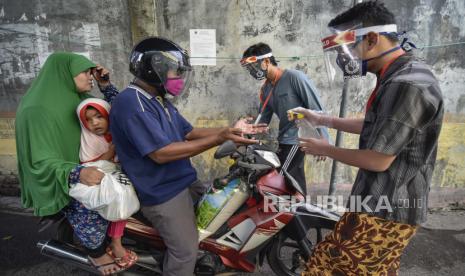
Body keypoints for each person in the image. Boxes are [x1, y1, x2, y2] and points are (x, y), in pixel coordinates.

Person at [293, 2, 444, 275]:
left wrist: (325, 149)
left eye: (348, 48)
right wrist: (322, 119)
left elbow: (378, 160)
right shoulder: (399, 73)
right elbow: (378, 125)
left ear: (373, 39)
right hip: (377, 203)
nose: (344, 57)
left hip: (387, 210)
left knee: (326, 267)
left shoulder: (405, 84)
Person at [109, 37, 260, 276]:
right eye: (173, 71)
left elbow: (189, 132)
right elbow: (161, 154)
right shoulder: (131, 102)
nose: (177, 78)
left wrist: (232, 130)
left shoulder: (158, 100)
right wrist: (220, 137)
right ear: (154, 68)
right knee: (185, 251)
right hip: (161, 191)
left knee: (212, 224)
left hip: (183, 180)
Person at [15, 52, 124, 275]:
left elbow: (118, 111)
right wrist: (76, 172)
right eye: (84, 71)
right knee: (92, 204)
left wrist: (106, 86)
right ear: (65, 73)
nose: (90, 76)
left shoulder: (77, 99)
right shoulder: (36, 110)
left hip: (96, 165)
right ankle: (96, 252)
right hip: (66, 175)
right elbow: (39, 160)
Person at [240, 43, 329, 195]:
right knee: (289, 182)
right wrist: (244, 134)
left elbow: (317, 109)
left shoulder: (295, 78)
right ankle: (297, 212)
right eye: (250, 69)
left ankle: (299, 212)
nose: (252, 72)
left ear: (266, 62)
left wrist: (324, 141)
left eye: (254, 66)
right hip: (284, 140)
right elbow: (263, 120)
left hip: (297, 138)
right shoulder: (266, 89)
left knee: (282, 177)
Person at [76, 97, 137, 269]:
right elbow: (91, 165)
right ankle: (116, 244)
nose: (94, 123)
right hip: (101, 181)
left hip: (117, 175)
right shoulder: (88, 140)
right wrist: (111, 151)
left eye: (99, 116)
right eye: (88, 119)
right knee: (123, 199)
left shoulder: (117, 131)